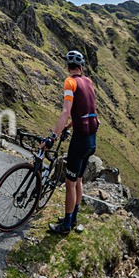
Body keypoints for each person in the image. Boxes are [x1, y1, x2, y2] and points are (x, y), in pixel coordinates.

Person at [43, 50, 99, 235]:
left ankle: (65, 226)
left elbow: (66, 111)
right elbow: (85, 111)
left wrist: (53, 136)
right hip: (92, 140)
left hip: (80, 141)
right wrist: (67, 128)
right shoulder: (88, 81)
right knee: (79, 180)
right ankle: (73, 218)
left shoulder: (70, 82)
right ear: (81, 67)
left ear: (68, 67)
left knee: (70, 183)